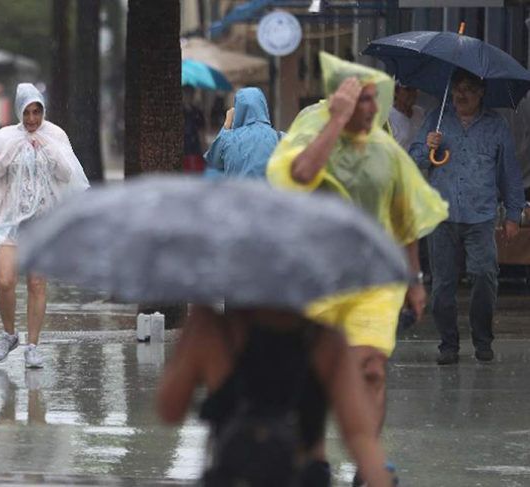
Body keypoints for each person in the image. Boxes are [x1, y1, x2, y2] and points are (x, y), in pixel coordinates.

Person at [267, 52, 448, 484]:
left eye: (374, 99)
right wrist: (337, 121)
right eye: (360, 98)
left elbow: (400, 205)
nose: (369, 107)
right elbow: (300, 172)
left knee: (371, 368)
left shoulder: (380, 137)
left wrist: (414, 278)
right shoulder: (311, 125)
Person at [157, 306, 397, 487]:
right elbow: (359, 435)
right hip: (304, 476)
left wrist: (188, 344)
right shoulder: (327, 340)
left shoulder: (211, 330)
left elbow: (170, 410)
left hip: (232, 475)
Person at [409, 68, 525, 365]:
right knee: (443, 286)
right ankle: (448, 343)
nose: (462, 94)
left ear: (482, 92)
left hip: (481, 215)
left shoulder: (496, 126)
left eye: (470, 88)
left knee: (485, 276)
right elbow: (413, 159)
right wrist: (427, 147)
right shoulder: (436, 119)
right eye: (458, 87)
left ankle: (482, 338)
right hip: (442, 214)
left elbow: (509, 173)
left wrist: (514, 213)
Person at [0, 83, 89, 368]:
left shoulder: (55, 135)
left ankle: (33, 345)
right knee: (5, 281)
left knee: (37, 283)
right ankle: (8, 334)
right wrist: (8, 154)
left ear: (43, 111)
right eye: (27, 112)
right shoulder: (6, 137)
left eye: (37, 112)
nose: (31, 119)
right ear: (19, 111)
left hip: (41, 221)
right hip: (9, 220)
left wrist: (49, 151)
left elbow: (68, 175)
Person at [204, 87, 278, 179]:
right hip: (268, 193)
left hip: (237, 192)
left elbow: (214, 162)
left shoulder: (228, 139)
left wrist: (226, 125)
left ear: (238, 109)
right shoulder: (278, 138)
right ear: (263, 106)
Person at [388, 82, 425, 151]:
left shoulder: (419, 112)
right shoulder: (387, 117)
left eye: (415, 89)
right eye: (408, 90)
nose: (412, 94)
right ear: (396, 92)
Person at [182, 86, 206, 173]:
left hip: (194, 147)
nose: (188, 96)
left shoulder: (197, 112)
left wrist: (204, 149)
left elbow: (201, 132)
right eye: (186, 93)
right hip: (184, 146)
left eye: (190, 93)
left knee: (195, 172)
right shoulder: (180, 111)